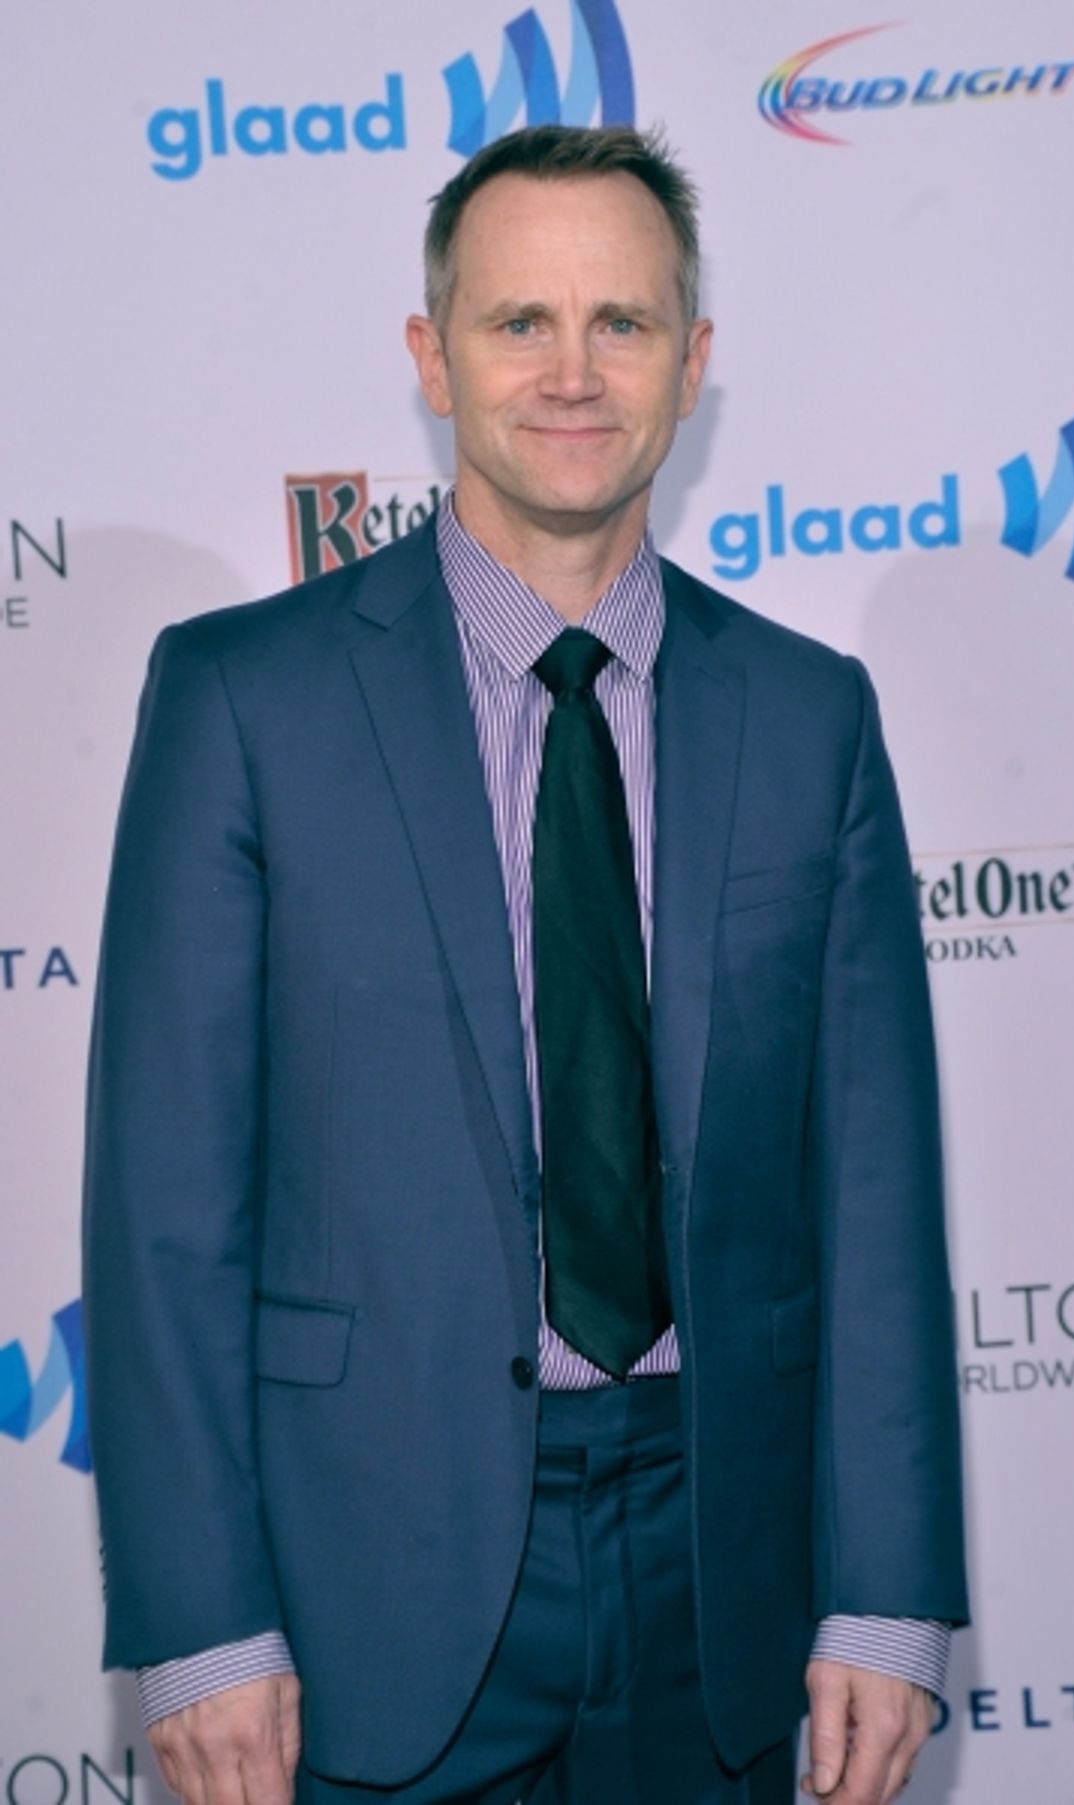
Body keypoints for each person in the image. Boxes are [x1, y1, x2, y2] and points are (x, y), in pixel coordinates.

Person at [83, 125, 968, 1805]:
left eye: (622, 322)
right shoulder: (242, 700)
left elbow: (873, 1198)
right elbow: (165, 1210)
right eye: (519, 323)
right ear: (434, 358)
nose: (573, 372)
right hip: (359, 1587)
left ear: (693, 362)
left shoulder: (811, 718)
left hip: (723, 1568)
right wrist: (201, 1623)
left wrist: (888, 1590)